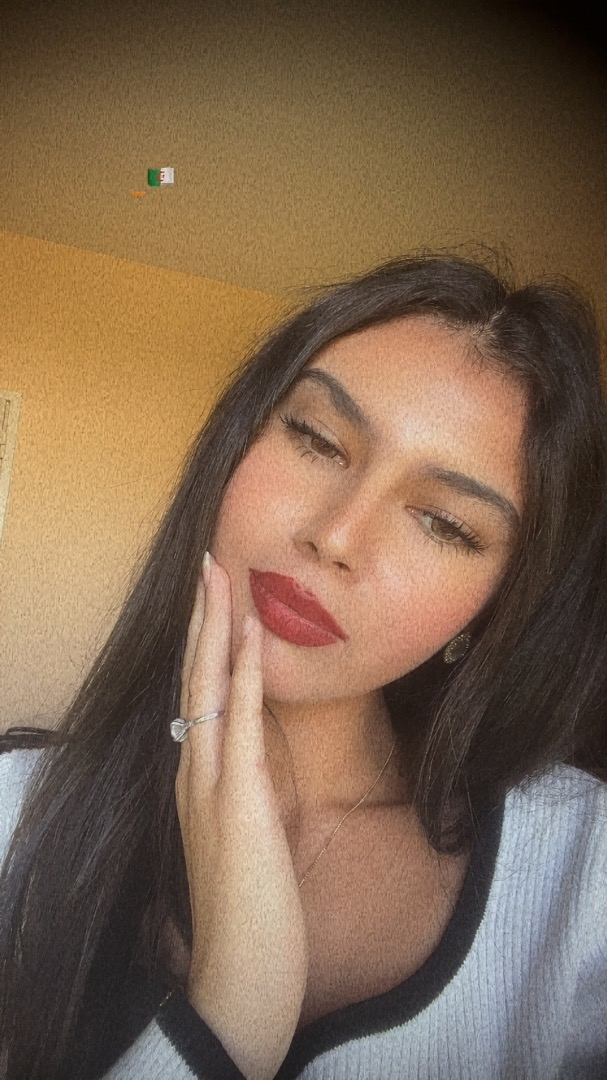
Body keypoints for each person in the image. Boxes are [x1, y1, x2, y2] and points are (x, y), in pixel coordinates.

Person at [1, 252, 606, 1080]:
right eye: (317, 440)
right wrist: (224, 1024)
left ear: (494, 608)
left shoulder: (583, 877)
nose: (336, 534)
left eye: (445, 523)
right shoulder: (14, 814)